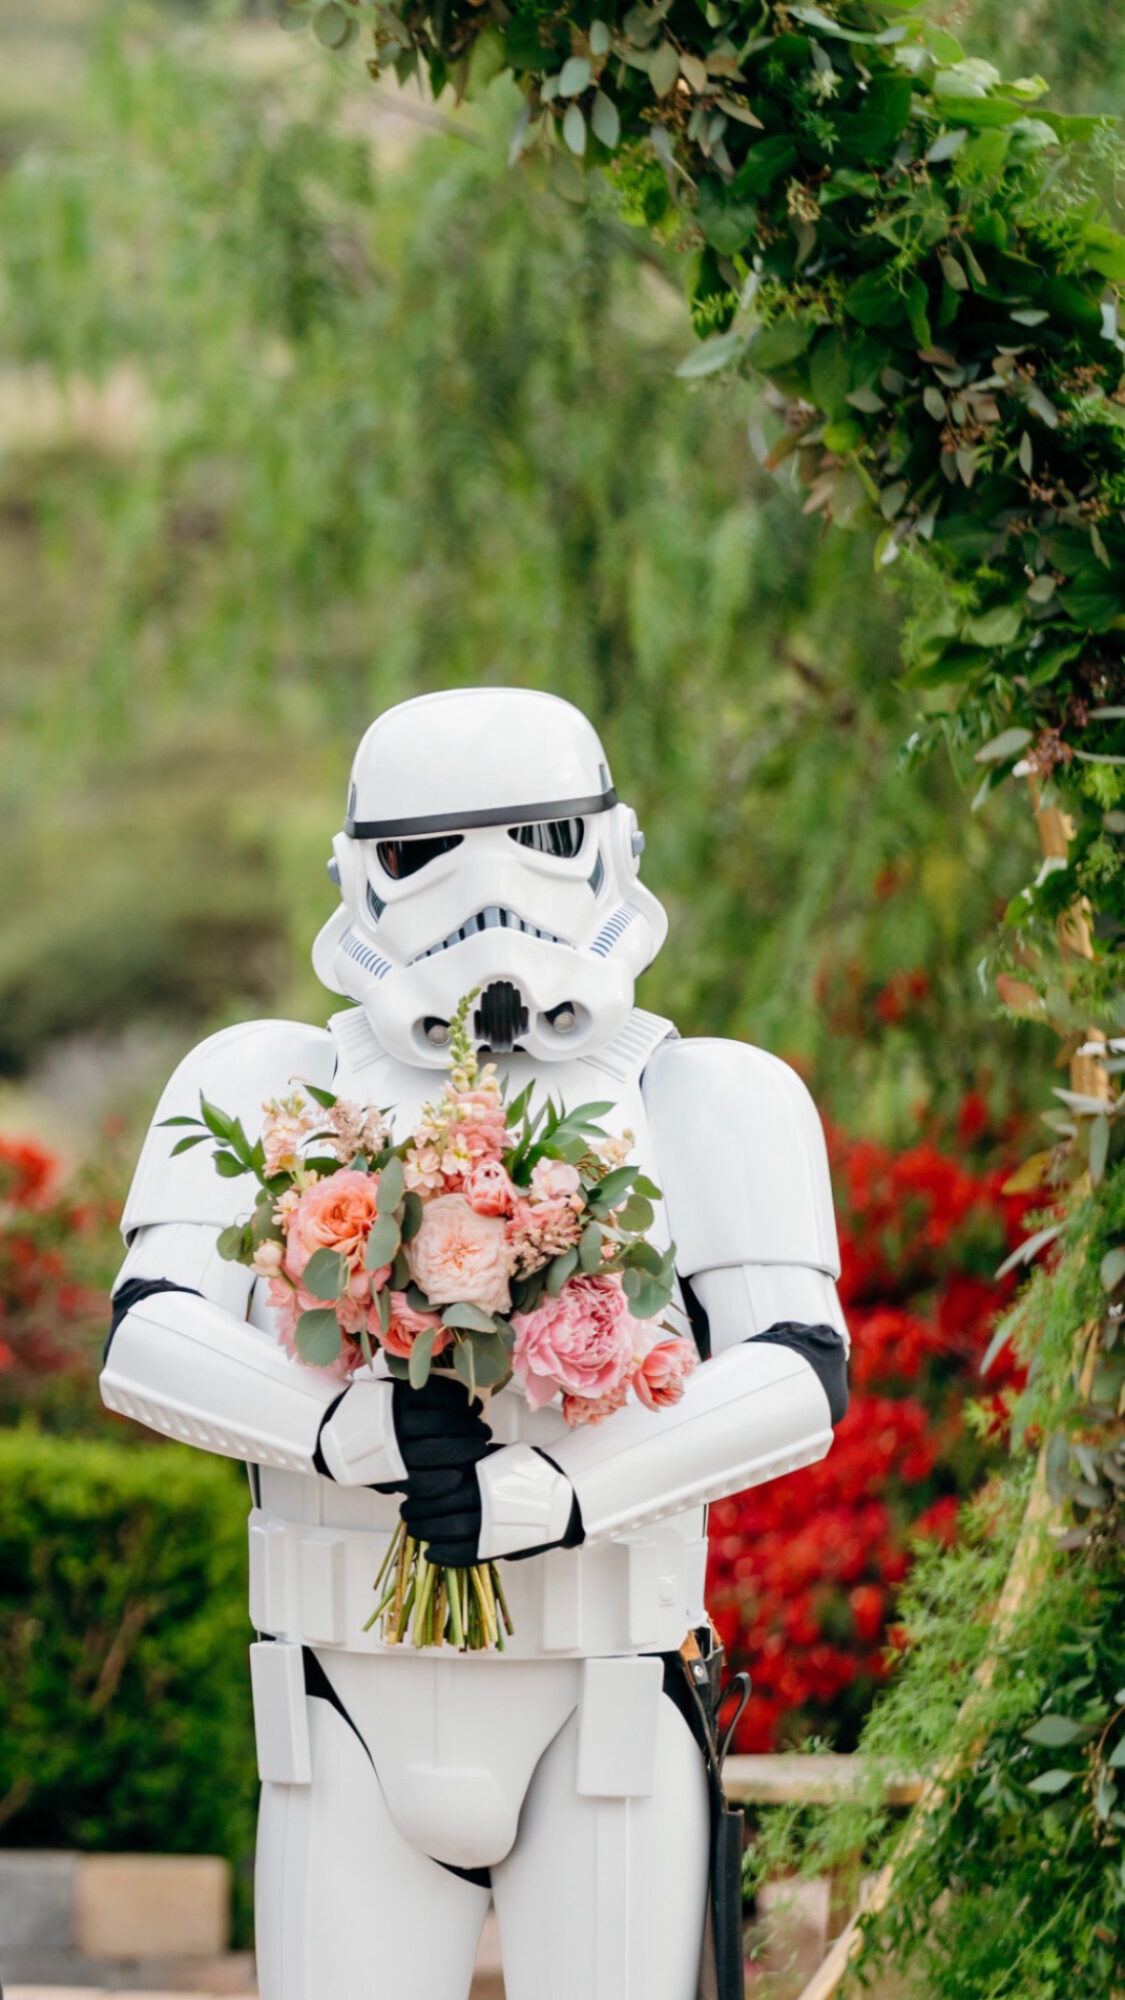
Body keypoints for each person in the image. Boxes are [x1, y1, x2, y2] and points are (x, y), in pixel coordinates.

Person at [102, 686, 848, 2000]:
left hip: (603, 1695)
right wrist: (345, 1428)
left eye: (537, 837)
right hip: (342, 1707)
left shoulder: (708, 1094)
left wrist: (564, 1490)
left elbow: (795, 1370)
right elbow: (149, 1335)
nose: (483, 889)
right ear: (357, 874)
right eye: (424, 852)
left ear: (607, 846)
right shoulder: (259, 1082)